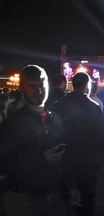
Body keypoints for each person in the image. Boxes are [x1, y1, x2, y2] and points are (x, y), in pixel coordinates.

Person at [0, 65, 67, 216]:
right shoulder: (12, 124)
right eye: (32, 86)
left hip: (53, 194)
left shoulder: (55, 118)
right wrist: (42, 159)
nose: (39, 91)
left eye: (42, 84)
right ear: (21, 89)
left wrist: (71, 186)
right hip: (23, 199)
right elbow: (5, 163)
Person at [52, 72, 104, 216]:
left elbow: (53, 135)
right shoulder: (94, 108)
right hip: (87, 163)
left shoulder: (58, 106)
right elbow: (102, 137)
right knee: (87, 203)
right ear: (87, 86)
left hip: (63, 160)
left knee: (64, 203)